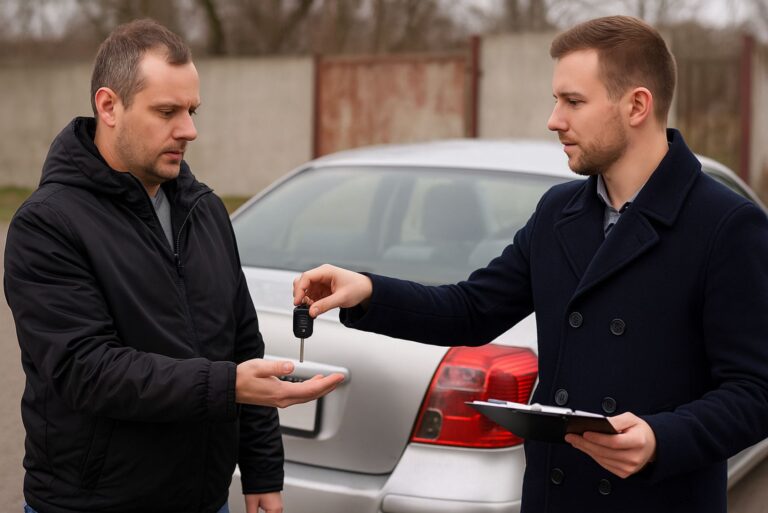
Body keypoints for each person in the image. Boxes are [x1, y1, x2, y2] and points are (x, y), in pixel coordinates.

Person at [292, 15, 768, 513]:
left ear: (637, 105)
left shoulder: (726, 224)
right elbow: (471, 308)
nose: (554, 119)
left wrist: (660, 438)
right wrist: (368, 290)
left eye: (574, 101)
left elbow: (755, 391)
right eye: (556, 99)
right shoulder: (558, 212)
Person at [4, 19, 343, 513]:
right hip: (93, 503)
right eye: (167, 111)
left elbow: (243, 342)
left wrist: (262, 471)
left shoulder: (204, 209)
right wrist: (227, 386)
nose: (189, 130)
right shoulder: (47, 224)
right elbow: (87, 371)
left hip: (204, 499)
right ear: (108, 106)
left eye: (191, 110)